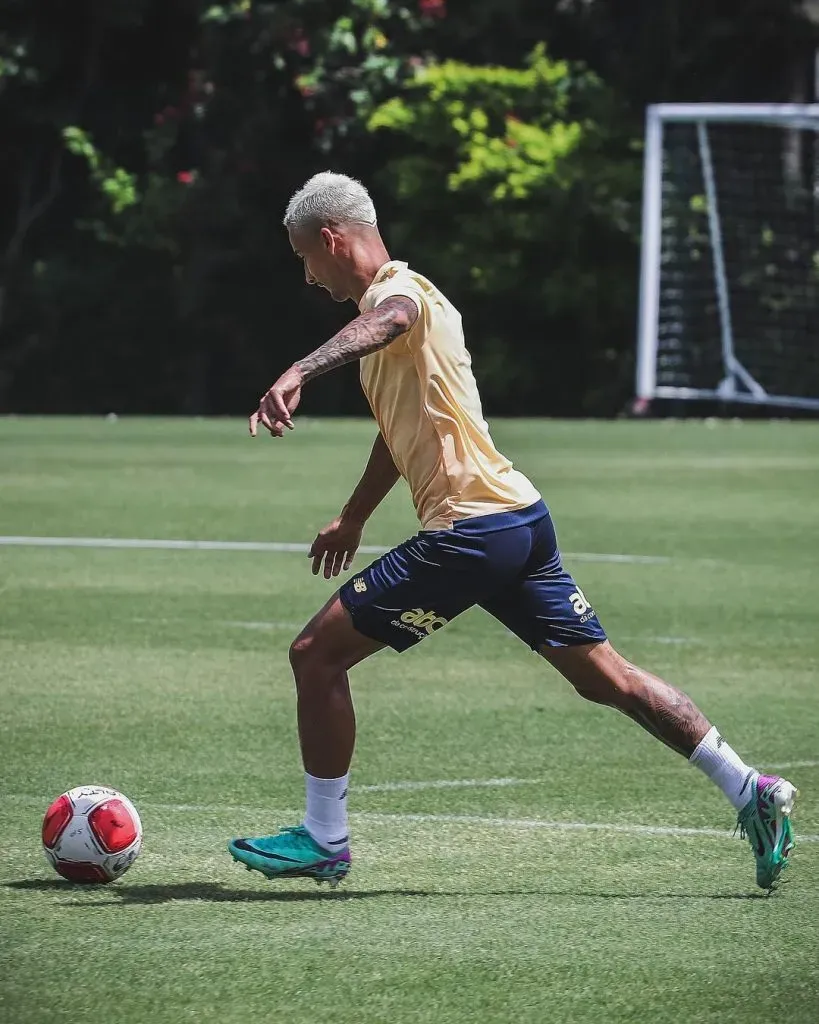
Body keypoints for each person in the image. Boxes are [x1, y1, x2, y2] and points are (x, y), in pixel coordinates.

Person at [228, 171, 797, 890]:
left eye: (303, 257)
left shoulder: (399, 299)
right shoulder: (411, 306)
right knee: (608, 680)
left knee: (315, 655)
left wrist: (298, 369)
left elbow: (390, 320)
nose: (308, 277)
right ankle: (751, 790)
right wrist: (356, 514)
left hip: (471, 532)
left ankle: (324, 837)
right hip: (519, 522)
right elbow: (398, 433)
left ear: (332, 239)